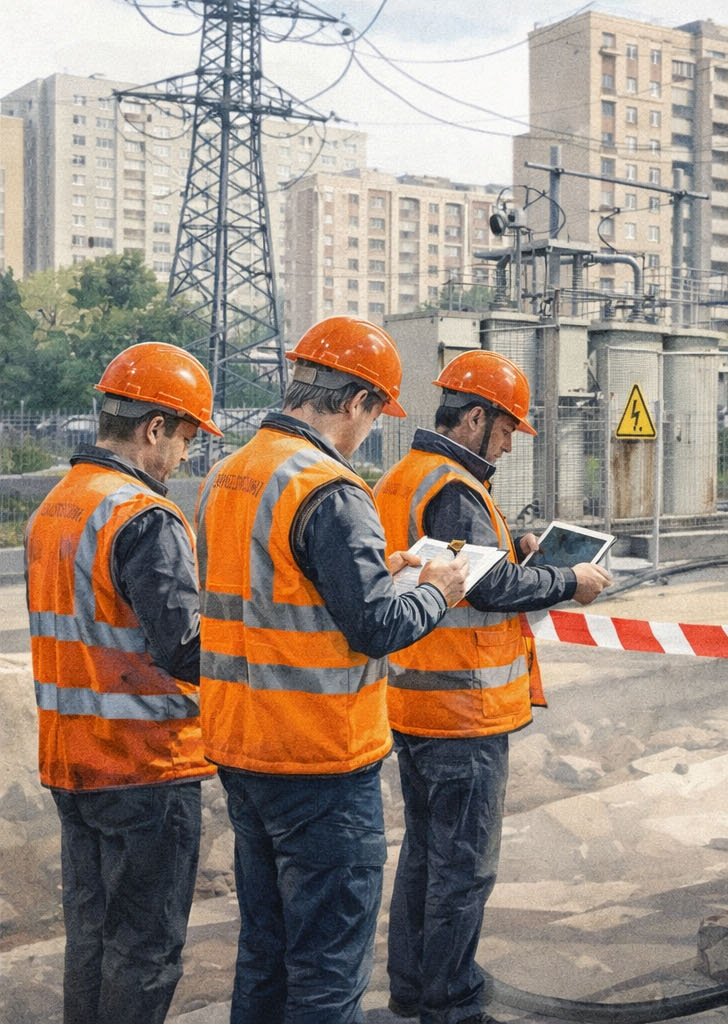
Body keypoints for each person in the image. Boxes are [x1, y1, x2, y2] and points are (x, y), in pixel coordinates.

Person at [196, 316, 471, 1024]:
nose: (369, 432)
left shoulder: (229, 473)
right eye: (374, 415)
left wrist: (385, 572)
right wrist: (436, 587)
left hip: (243, 748)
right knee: (326, 970)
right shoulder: (331, 488)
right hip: (319, 758)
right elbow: (377, 627)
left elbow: (276, 592)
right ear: (355, 402)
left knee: (266, 953)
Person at [373, 350, 611, 1024]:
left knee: (424, 857)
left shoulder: (405, 477)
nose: (508, 443)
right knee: (462, 869)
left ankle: (415, 990)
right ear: (475, 418)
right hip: (462, 713)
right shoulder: (453, 486)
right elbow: (489, 586)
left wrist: (518, 549)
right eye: (505, 429)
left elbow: (462, 568)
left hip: (413, 704)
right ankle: (449, 1004)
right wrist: (570, 581)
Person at [25, 343, 224, 1024]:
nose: (185, 457)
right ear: (153, 429)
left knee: (93, 939)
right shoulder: (144, 516)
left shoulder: (57, 505)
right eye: (186, 438)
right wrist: (253, 627)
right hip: (144, 764)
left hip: (71, 760)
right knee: (144, 948)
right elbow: (186, 648)